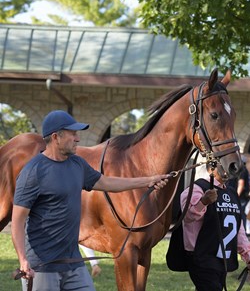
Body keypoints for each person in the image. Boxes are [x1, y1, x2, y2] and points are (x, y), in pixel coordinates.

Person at [11, 110, 169, 291]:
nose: (78, 138)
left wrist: (148, 180)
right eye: (73, 134)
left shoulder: (77, 164)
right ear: (56, 137)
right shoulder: (33, 171)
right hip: (42, 265)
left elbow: (106, 182)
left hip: (73, 261)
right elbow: (18, 220)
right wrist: (23, 260)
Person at [168, 161, 250, 291]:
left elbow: (239, 229)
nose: (230, 169)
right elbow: (188, 218)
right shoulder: (196, 189)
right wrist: (203, 202)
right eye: (226, 165)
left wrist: (249, 255)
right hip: (202, 256)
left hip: (222, 259)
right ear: (212, 168)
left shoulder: (232, 193)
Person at [226, 155, 250, 234]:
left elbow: (241, 184)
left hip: (241, 197)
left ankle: (241, 232)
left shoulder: (241, 170)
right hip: (244, 196)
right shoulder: (245, 170)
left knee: (239, 214)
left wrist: (236, 197)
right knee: (241, 213)